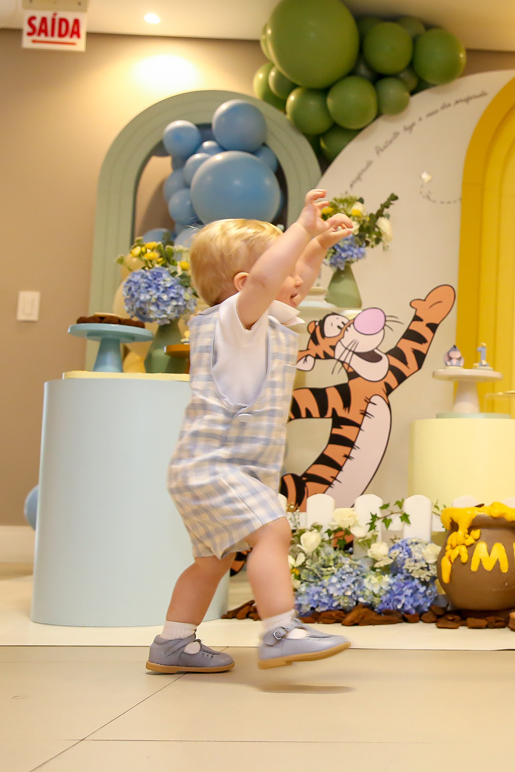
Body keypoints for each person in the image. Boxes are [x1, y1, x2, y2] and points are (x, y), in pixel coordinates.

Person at [146, 190, 355, 674]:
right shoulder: (235, 321)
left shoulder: (263, 321)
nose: (298, 279)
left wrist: (318, 245)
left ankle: (172, 643)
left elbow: (288, 277)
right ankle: (280, 631)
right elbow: (267, 279)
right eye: (287, 269)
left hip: (215, 470)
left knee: (211, 562)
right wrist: (302, 227)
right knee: (273, 530)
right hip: (215, 467)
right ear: (246, 283)